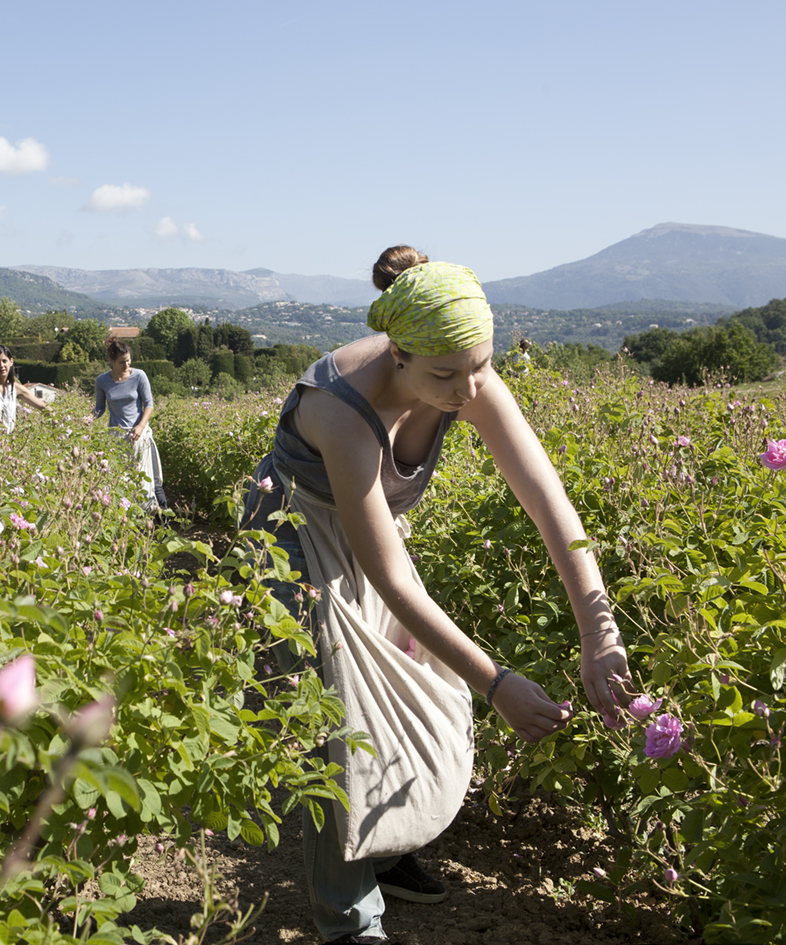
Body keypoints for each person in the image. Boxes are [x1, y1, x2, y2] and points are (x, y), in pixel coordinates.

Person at [242, 246, 632, 944]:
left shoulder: (468, 377)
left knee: (423, 684)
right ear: (398, 357)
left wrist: (597, 632)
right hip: (293, 527)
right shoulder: (339, 408)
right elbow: (389, 578)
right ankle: (349, 922)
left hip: (370, 526)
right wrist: (496, 682)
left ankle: (386, 851)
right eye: (446, 375)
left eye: (480, 365)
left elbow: (550, 506)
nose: (467, 390)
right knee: (339, 713)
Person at [92, 339, 169, 511]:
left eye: (128, 360)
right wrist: (87, 419)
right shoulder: (102, 381)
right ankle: (132, 522)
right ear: (111, 361)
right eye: (122, 362)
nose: (126, 365)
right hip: (118, 439)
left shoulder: (139, 376)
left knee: (150, 480)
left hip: (140, 436)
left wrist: (141, 426)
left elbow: (149, 404)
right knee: (123, 481)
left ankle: (163, 521)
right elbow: (99, 408)